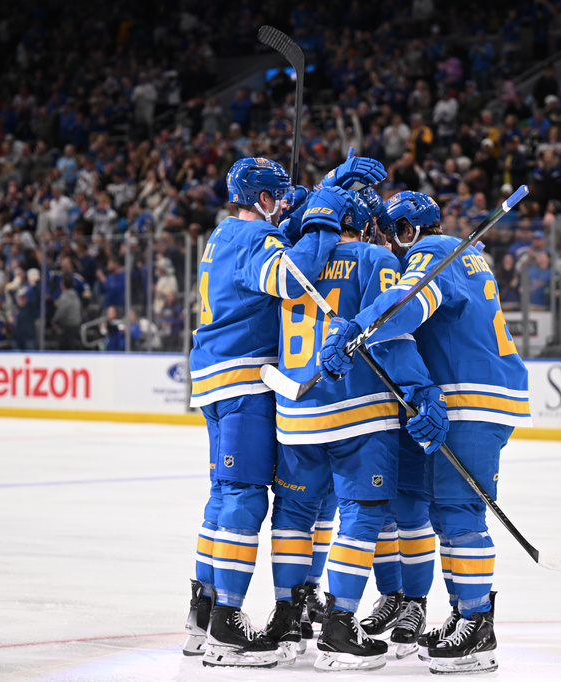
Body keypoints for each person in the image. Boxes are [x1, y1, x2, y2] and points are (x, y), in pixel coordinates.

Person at [318, 190, 533, 675]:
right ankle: (463, 615)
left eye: (392, 233)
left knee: (459, 512)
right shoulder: (466, 255)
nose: (390, 246)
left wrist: (356, 329)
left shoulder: (432, 254)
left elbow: (407, 304)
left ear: (408, 231)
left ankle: (478, 626)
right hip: (480, 393)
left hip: (471, 395)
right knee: (448, 510)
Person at [186, 155, 381, 668]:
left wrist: (329, 187)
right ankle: (227, 624)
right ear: (264, 200)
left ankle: (203, 611)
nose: (286, 208)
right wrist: (323, 217)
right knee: (245, 500)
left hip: (214, 375)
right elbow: (293, 276)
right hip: (244, 379)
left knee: (223, 495)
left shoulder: (225, 233)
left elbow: (281, 241)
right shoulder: (256, 240)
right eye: (282, 200)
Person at [267, 191, 437, 670]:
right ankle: (339, 626)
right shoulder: (374, 256)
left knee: (296, 514)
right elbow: (392, 332)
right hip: (357, 412)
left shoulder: (292, 260)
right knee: (362, 516)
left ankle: (290, 617)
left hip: (295, 414)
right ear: (364, 225)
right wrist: (420, 391)